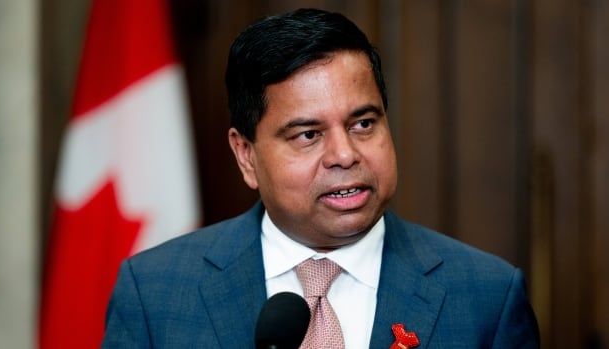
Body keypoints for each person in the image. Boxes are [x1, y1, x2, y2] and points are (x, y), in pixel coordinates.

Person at [102, 8, 539, 348]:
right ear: (246, 156)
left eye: (363, 124)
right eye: (308, 135)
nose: (345, 154)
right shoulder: (155, 294)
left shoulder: (487, 299)